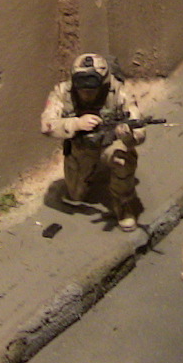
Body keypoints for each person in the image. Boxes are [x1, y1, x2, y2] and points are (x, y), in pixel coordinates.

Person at [40, 54, 147, 231]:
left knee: (123, 160)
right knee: (75, 195)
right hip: (80, 147)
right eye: (82, 88)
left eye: (92, 89)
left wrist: (127, 136)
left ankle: (123, 202)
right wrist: (76, 124)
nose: (86, 93)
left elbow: (140, 131)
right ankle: (89, 173)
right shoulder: (62, 92)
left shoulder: (119, 93)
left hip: (110, 144)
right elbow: (46, 125)